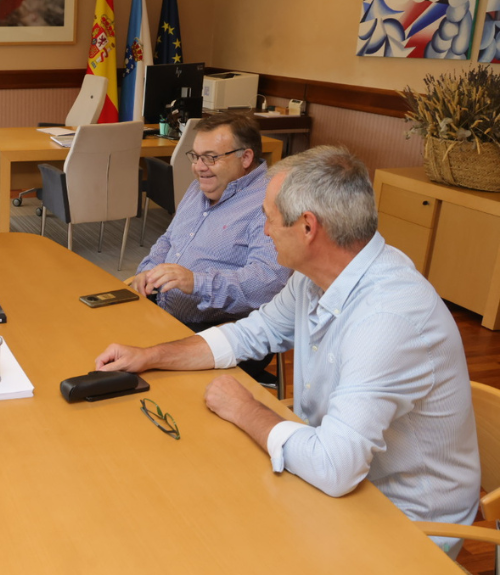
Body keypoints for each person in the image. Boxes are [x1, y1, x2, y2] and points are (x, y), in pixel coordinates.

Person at [95, 146, 480, 557]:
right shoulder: (318, 276)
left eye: (269, 218)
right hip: (340, 478)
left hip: (403, 525)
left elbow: (334, 467)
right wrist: (150, 356)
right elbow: (249, 334)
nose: (263, 231)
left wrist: (244, 408)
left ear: (308, 227)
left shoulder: (387, 319)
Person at [128, 112, 290, 329]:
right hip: (162, 313)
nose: (199, 167)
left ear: (246, 158)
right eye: (195, 156)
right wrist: (147, 270)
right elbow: (169, 239)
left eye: (211, 157)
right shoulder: (201, 185)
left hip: (224, 332)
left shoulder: (270, 200)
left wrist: (196, 283)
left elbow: (267, 282)